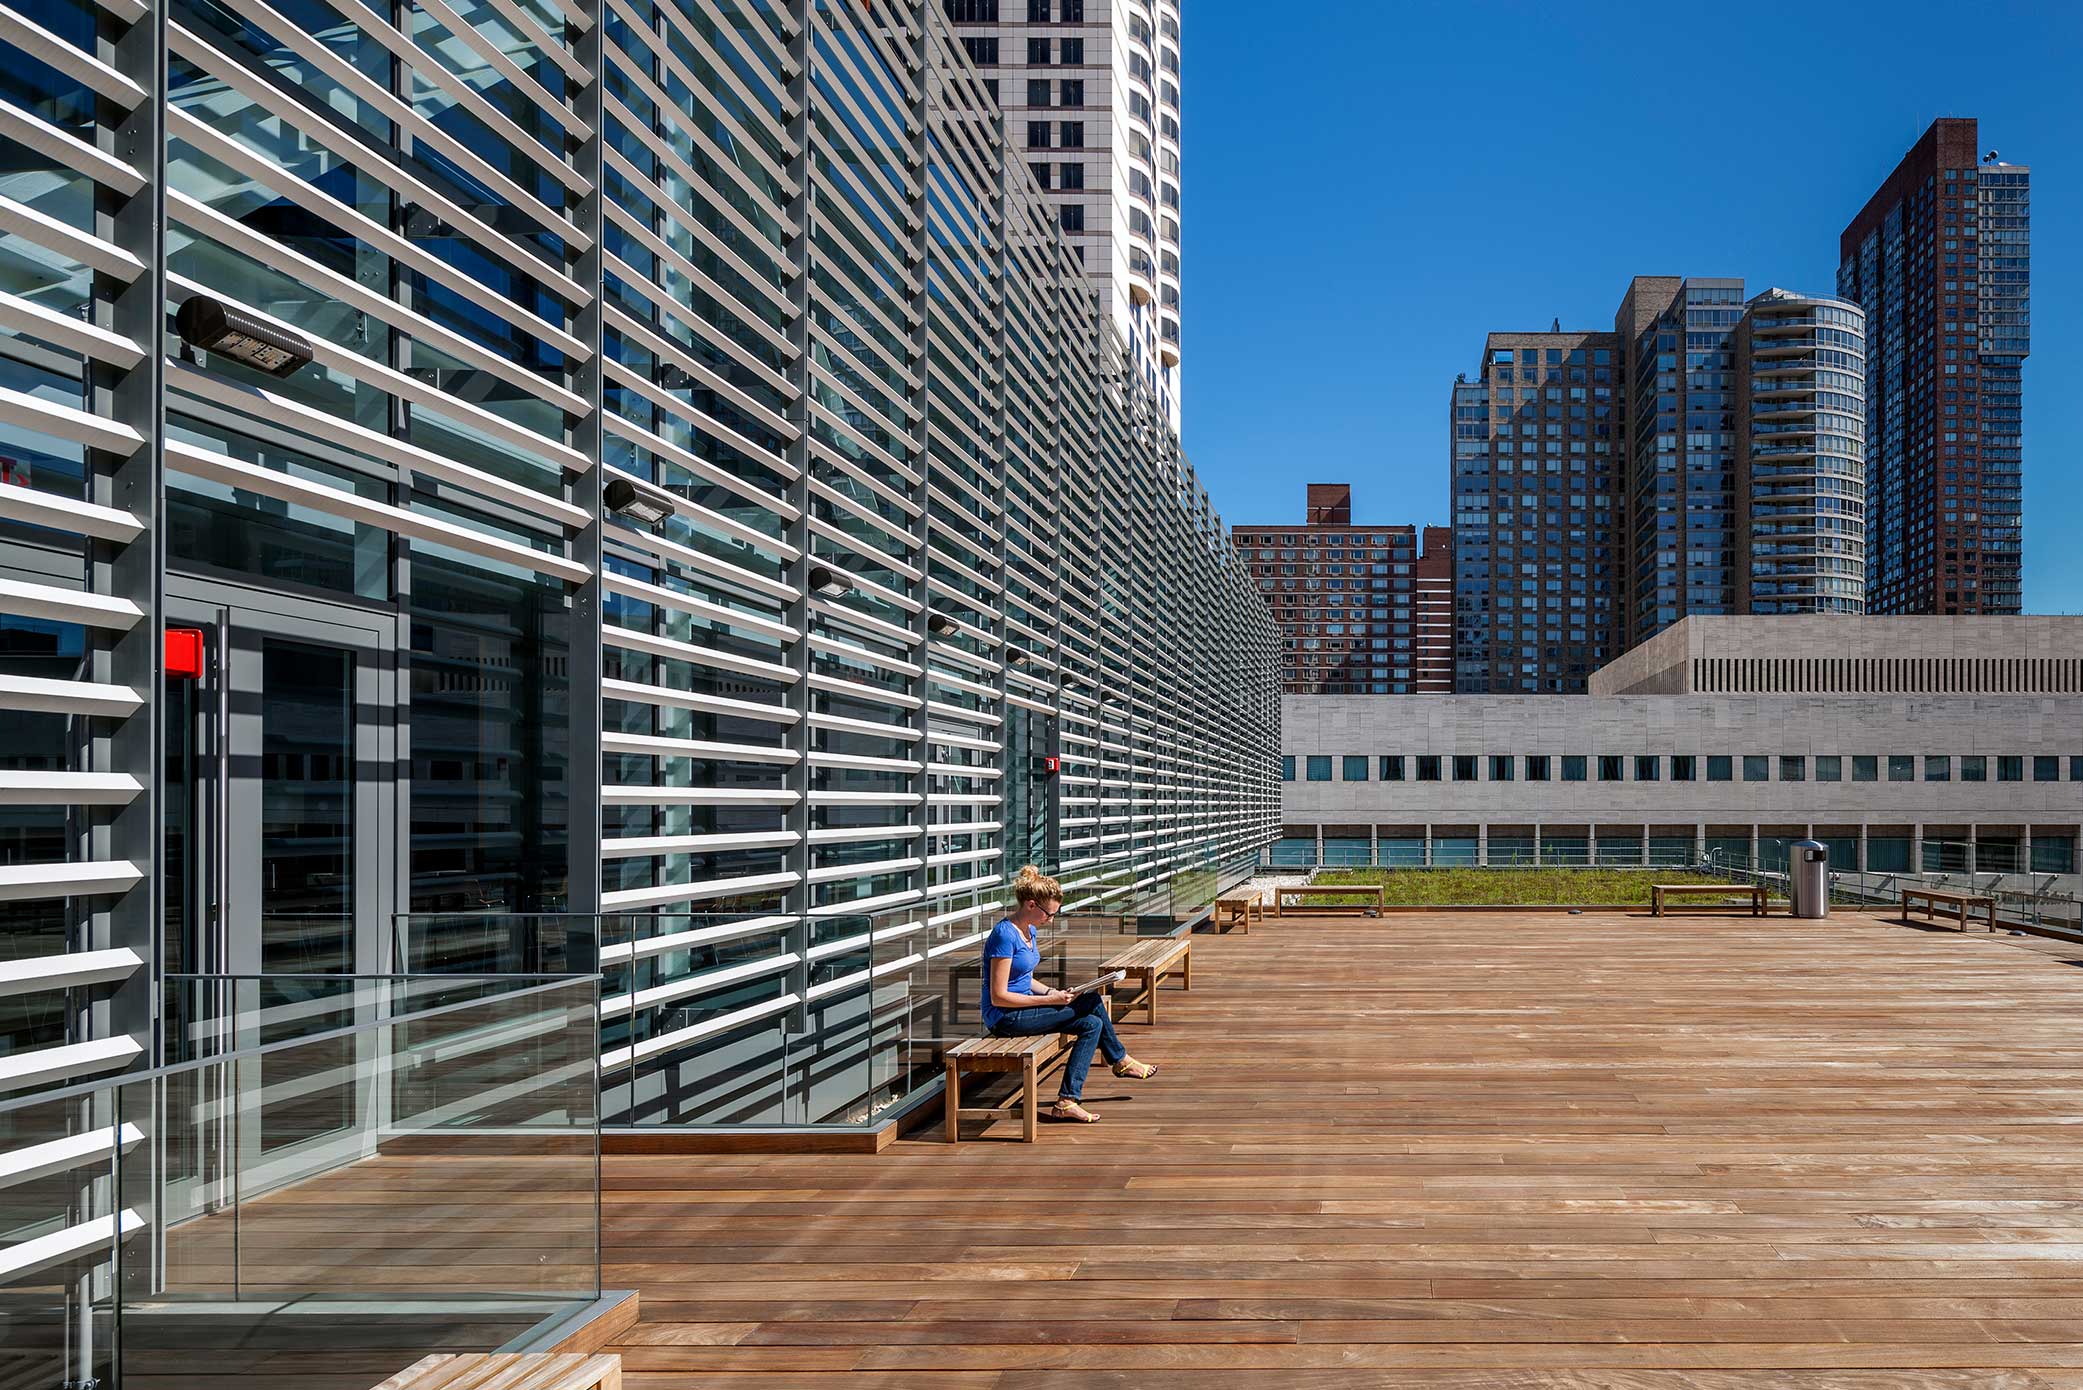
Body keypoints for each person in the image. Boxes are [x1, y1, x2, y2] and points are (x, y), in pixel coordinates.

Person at [980, 865, 1155, 1123]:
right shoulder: (1004, 936)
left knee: (1091, 1024)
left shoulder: (1029, 930)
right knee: (1093, 1001)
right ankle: (1119, 1060)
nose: (1051, 918)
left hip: (1026, 1009)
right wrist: (1050, 1000)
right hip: (1005, 1017)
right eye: (1049, 913)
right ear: (1031, 905)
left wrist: (1053, 991)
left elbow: (1024, 978)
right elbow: (999, 996)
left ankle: (1066, 1101)